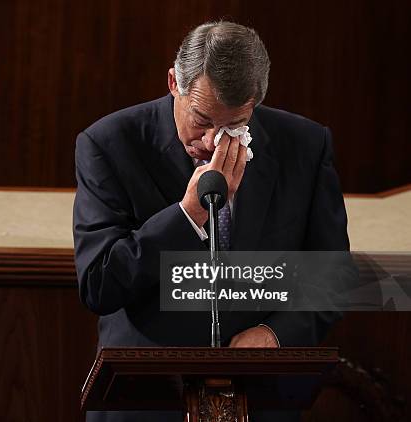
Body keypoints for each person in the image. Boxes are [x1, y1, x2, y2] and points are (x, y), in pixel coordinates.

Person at [73, 21, 350, 422]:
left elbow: (332, 276)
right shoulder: (108, 144)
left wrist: (275, 335)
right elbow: (99, 285)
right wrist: (188, 214)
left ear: (254, 103)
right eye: (201, 119)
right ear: (173, 83)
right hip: (145, 398)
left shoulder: (304, 145)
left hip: (261, 399)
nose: (212, 142)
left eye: (234, 124)